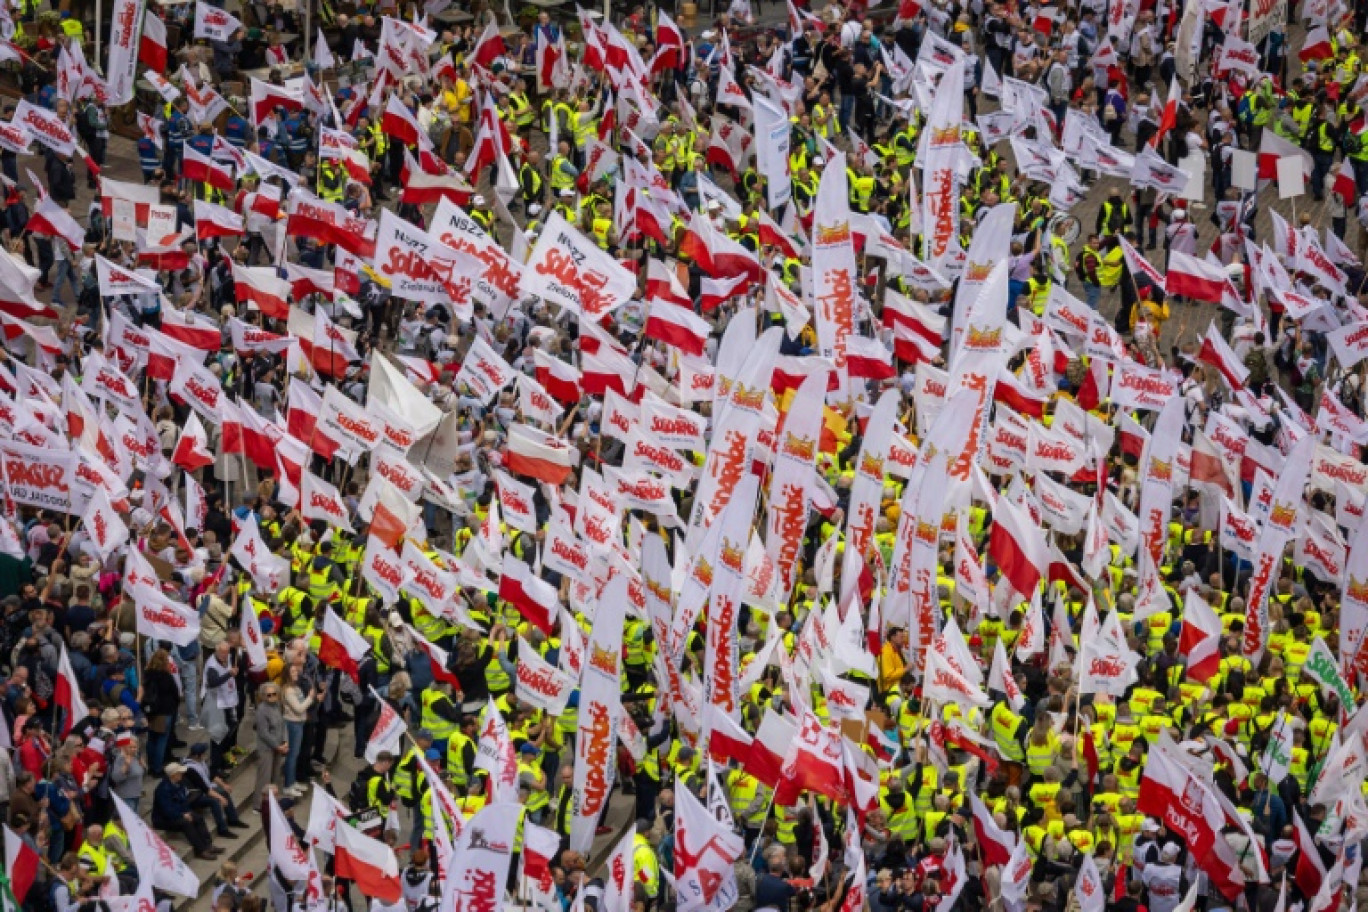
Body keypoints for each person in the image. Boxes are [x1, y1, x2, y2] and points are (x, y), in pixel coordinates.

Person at [151, 764, 219, 860]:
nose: (182, 774)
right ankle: (201, 850)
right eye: (180, 773)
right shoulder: (162, 790)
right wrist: (182, 815)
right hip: (163, 819)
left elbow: (184, 801)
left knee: (198, 818)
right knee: (186, 823)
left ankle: (208, 845)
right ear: (173, 775)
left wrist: (187, 812)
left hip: (179, 812)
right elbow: (167, 810)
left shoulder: (179, 784)